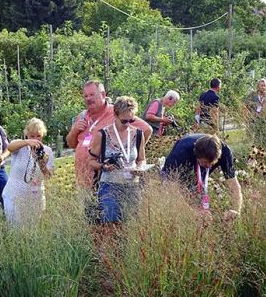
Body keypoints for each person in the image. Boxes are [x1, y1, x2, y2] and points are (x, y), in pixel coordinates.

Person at [66, 80, 151, 197]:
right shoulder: (82, 116)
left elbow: (146, 130)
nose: (88, 99)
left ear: (103, 94)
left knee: (109, 214)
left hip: (107, 180)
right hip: (83, 181)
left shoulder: (116, 112)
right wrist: (74, 130)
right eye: (85, 96)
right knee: (86, 214)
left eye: (92, 95)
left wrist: (130, 155)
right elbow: (71, 144)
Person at [88, 96, 148, 224]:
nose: (127, 124)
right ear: (115, 115)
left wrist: (140, 168)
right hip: (109, 185)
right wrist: (103, 166)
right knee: (110, 225)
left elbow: (141, 159)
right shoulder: (102, 135)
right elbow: (91, 161)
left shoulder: (138, 134)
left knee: (131, 224)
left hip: (132, 186)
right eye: (124, 121)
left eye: (131, 121)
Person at [160, 134, 242, 221]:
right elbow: (171, 188)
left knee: (196, 197)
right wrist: (193, 214)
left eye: (212, 163)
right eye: (205, 162)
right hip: (176, 171)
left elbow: (233, 185)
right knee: (174, 203)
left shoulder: (225, 152)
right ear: (197, 156)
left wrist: (235, 210)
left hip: (197, 167)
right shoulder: (181, 152)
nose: (209, 166)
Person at [1, 118, 54, 227]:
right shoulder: (20, 146)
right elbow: (10, 147)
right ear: (27, 134)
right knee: (15, 228)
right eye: (32, 136)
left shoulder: (47, 151)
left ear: (43, 135)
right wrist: (27, 142)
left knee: (33, 229)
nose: (35, 139)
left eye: (38, 136)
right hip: (14, 194)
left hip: (35, 196)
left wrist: (41, 163)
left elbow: (48, 176)